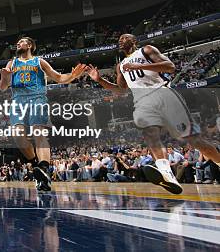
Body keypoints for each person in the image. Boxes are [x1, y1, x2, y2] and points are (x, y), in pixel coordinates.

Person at [87, 33, 220, 194]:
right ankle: (167, 175)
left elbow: (170, 67)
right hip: (142, 101)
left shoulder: (146, 50)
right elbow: (121, 91)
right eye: (119, 39)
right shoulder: (121, 66)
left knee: (193, 139)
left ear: (134, 41)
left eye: (125, 37)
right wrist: (99, 80)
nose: (121, 40)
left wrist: (139, 67)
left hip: (162, 93)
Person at [0, 37, 86, 192]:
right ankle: (37, 165)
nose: (18, 44)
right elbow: (3, 87)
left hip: (37, 99)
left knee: (38, 132)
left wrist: (73, 76)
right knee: (17, 135)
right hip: (17, 101)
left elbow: (59, 78)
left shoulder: (39, 61)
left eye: (21, 42)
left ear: (30, 45)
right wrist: (5, 78)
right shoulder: (12, 63)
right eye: (17, 43)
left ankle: (44, 169)